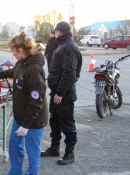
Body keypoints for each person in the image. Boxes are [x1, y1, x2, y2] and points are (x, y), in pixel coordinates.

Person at [0, 31, 48, 175]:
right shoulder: (22, 62)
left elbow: (36, 100)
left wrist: (26, 125)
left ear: (20, 50)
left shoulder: (34, 69)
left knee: (32, 150)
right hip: (20, 116)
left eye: (13, 51)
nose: (13, 54)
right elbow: (14, 71)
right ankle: (15, 173)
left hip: (33, 120)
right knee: (14, 145)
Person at [40, 21, 82, 165]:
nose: (54, 33)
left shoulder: (68, 47)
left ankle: (70, 153)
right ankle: (54, 148)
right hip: (57, 92)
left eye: (55, 31)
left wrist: (60, 93)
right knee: (55, 120)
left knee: (67, 123)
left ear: (59, 31)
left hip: (64, 93)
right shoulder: (62, 45)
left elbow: (69, 73)